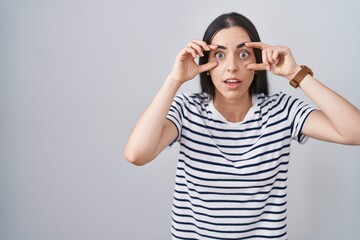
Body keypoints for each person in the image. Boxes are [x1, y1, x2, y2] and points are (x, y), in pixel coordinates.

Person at [124, 12, 360, 239]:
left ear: (258, 60)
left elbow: (355, 132)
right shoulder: (187, 109)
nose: (232, 67)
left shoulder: (281, 110)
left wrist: (295, 73)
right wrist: (174, 80)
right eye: (219, 55)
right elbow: (137, 154)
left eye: (243, 54)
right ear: (205, 62)